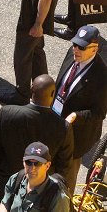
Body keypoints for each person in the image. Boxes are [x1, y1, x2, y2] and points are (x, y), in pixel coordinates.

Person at [0, 74, 74, 209]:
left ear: (31, 90)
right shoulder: (62, 127)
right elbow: (64, 166)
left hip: (6, 180)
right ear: (53, 94)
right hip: (40, 193)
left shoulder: (7, 113)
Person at [52, 25, 107, 195]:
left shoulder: (102, 76)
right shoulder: (72, 54)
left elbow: (99, 112)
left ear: (94, 49)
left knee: (65, 183)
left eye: (81, 47)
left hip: (75, 136)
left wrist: (76, 116)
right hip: (54, 123)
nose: (76, 49)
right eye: (75, 44)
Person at [0, 142, 70, 212]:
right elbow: (5, 203)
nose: (32, 168)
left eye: (37, 163)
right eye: (28, 162)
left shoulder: (58, 197)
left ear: (47, 166)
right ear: (23, 162)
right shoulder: (16, 179)